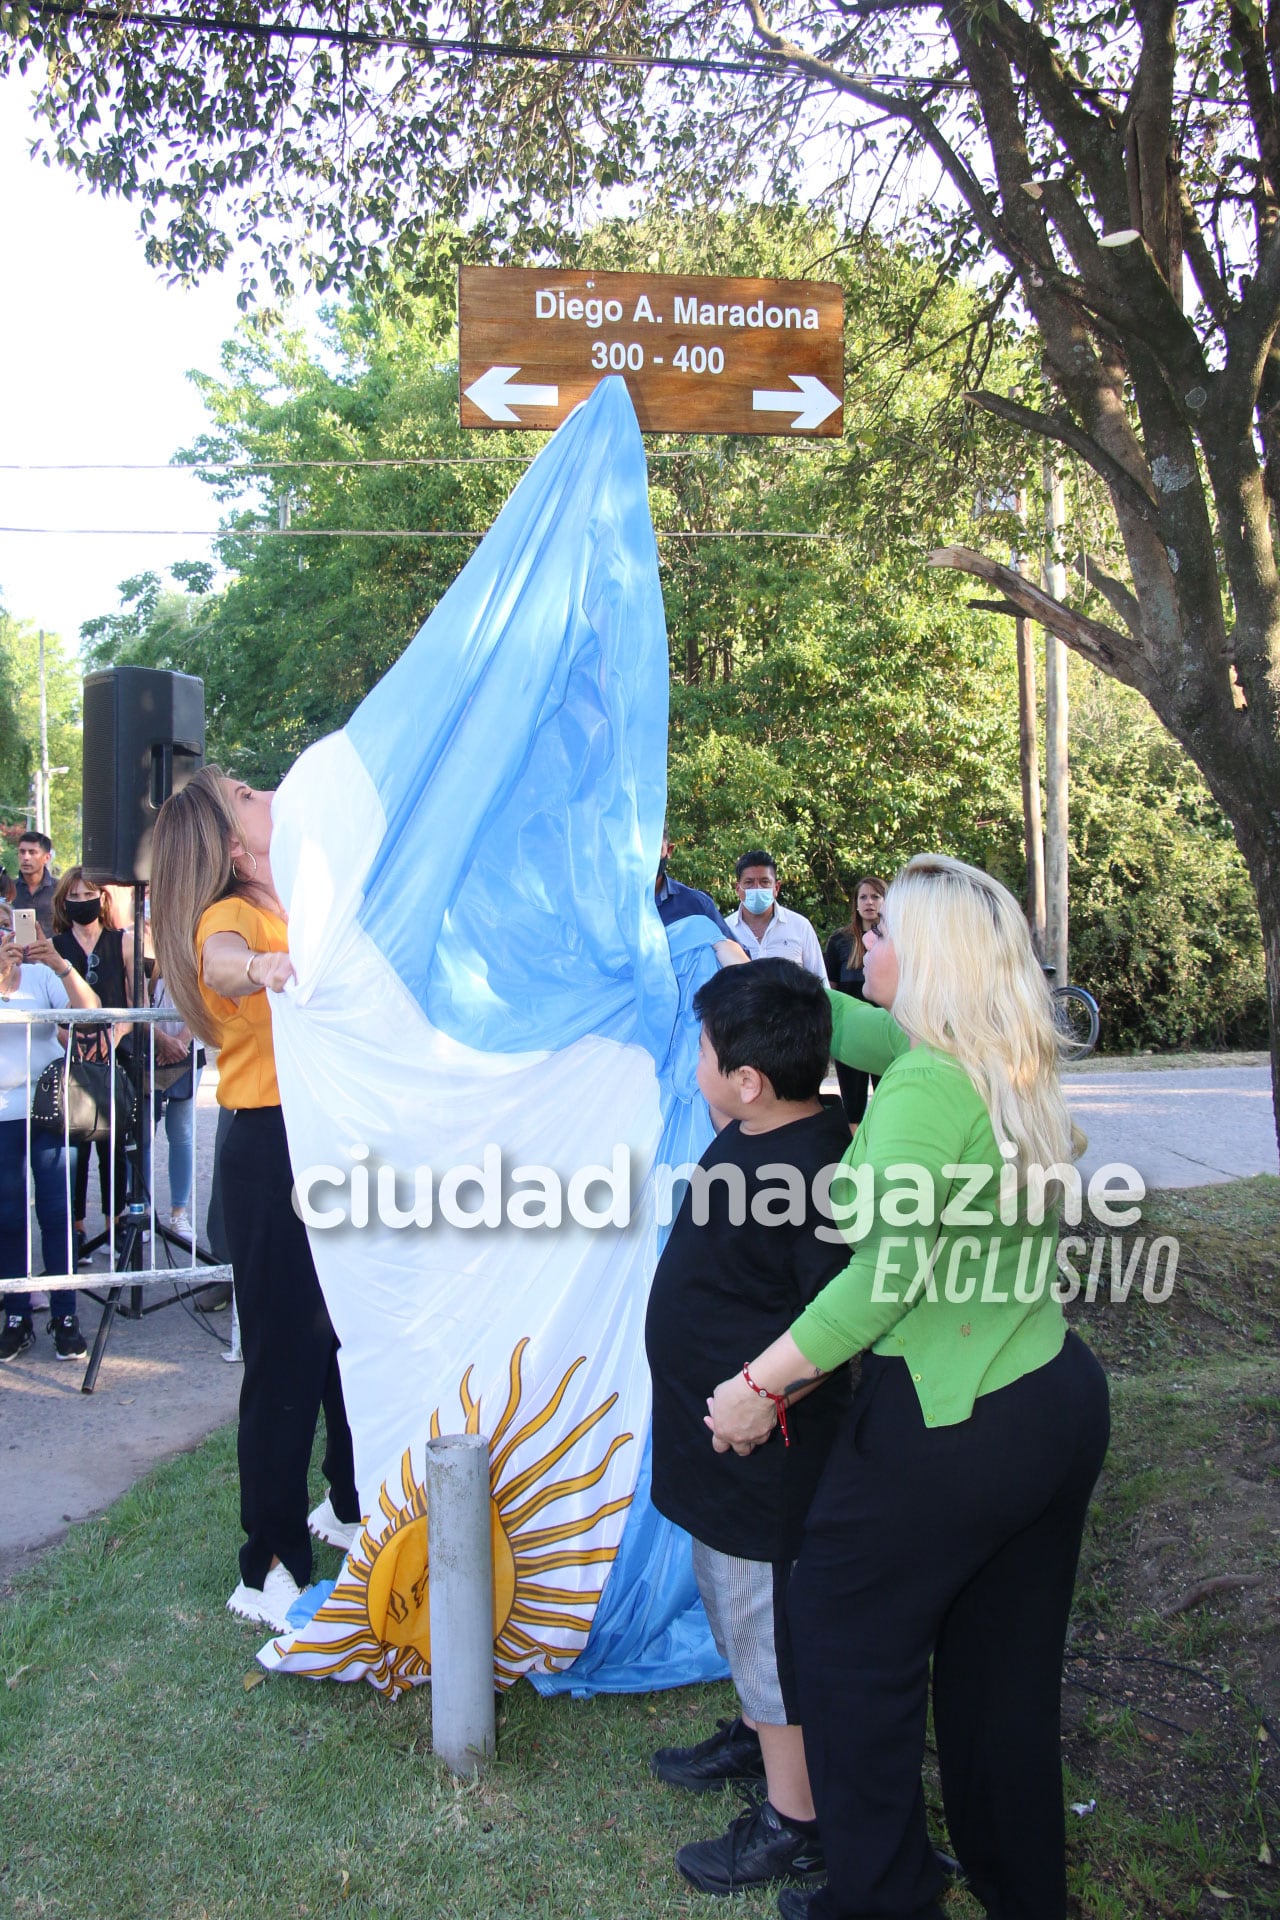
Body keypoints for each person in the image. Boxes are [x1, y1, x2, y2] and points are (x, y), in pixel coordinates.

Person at [707, 854, 1111, 1920]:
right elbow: (851, 1026)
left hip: (951, 1420)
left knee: (841, 1649)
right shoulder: (998, 1053)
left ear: (927, 960)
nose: (864, 944)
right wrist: (748, 966)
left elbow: (875, 1288)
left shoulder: (928, 1092)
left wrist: (760, 1382)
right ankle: (1025, 1896)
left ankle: (879, 1897)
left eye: (882, 935)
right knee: (999, 1692)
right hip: (1049, 1397)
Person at [646, 959, 854, 1897]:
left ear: (748, 1080)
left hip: (761, 1457)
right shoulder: (757, 1126)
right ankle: (758, 1734)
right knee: (728, 1600)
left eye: (702, 1050)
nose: (695, 1063)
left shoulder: (815, 1171)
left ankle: (794, 1815)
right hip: (715, 1451)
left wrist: (763, 1399)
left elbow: (833, 1326)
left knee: (763, 1625)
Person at [151, 765, 360, 1633]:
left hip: (332, 1140)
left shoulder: (305, 893)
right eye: (244, 793)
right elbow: (221, 965)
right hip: (271, 1146)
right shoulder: (230, 918)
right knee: (287, 1356)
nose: (266, 792)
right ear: (231, 843)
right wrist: (264, 967)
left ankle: (351, 1504)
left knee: (348, 1333)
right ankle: (267, 1563)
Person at [0, 900, 100, 1361]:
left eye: (8, 927)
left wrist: (60, 965)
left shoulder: (42, 973)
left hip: (47, 1110)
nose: (6, 937)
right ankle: (16, 1316)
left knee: (57, 1214)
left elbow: (90, 1010)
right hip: (2, 1113)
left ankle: (65, 1315)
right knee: (8, 1217)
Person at [51, 869, 134, 1258]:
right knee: (74, 1148)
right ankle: (76, 1229)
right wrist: (64, 1036)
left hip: (114, 1059)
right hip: (69, 1061)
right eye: (74, 894)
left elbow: (136, 1005)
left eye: (89, 893)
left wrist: (112, 1037)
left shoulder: (124, 943)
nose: (81, 900)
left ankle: (115, 1225)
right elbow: (49, 1008)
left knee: (113, 1146)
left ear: (102, 899)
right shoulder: (55, 946)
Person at [823, 874, 888, 1128]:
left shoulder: (897, 939)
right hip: (849, 1032)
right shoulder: (840, 941)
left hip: (884, 1031)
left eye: (875, 896)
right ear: (855, 903)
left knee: (885, 1098)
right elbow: (832, 989)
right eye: (863, 897)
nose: (869, 902)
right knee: (853, 1103)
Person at [725, 852, 825, 978]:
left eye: (765, 882)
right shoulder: (725, 930)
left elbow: (820, 981)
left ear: (776, 887)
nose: (757, 888)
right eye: (749, 882)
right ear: (738, 888)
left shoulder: (800, 926)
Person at [14, 831, 56, 936]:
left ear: (46, 858)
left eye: (32, 852)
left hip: (50, 950)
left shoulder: (60, 890)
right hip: (14, 950)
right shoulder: (7, 889)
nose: (26, 857)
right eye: (22, 852)